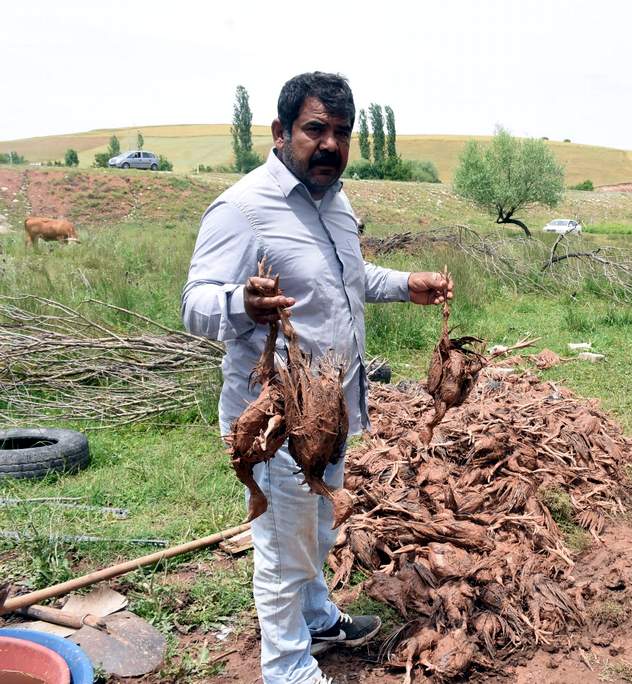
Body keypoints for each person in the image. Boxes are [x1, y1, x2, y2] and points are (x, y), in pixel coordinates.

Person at [181, 71, 452, 684]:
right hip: (276, 418)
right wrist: (241, 304)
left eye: (341, 133)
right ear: (279, 133)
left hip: (333, 409)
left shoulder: (336, 200)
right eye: (314, 130)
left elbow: (344, 280)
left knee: (319, 526)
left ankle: (317, 619)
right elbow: (192, 302)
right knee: (282, 547)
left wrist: (404, 285)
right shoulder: (244, 208)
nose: (329, 144)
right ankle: (287, 669)